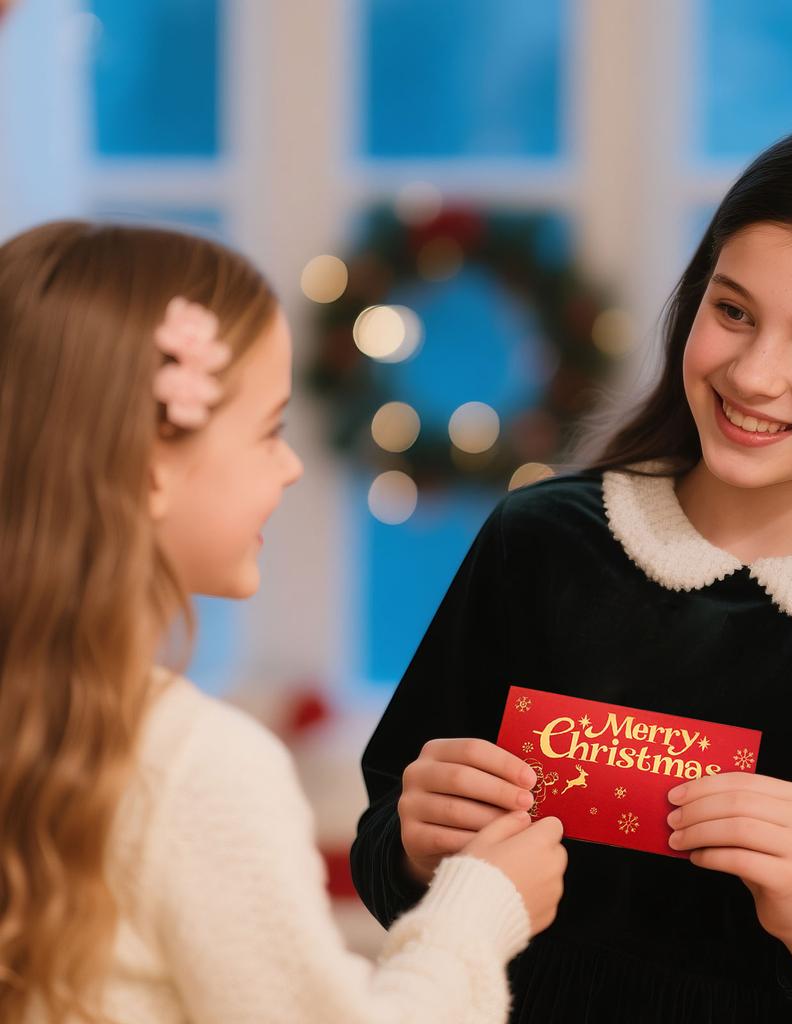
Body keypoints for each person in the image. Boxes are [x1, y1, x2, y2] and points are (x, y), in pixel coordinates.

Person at [350, 117, 792, 1022]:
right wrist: (411, 847)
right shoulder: (540, 541)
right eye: (733, 311)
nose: (753, 375)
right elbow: (393, 856)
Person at [0, 220, 567, 1024]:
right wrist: (480, 910)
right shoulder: (198, 769)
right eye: (269, 431)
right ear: (153, 466)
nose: (293, 465)